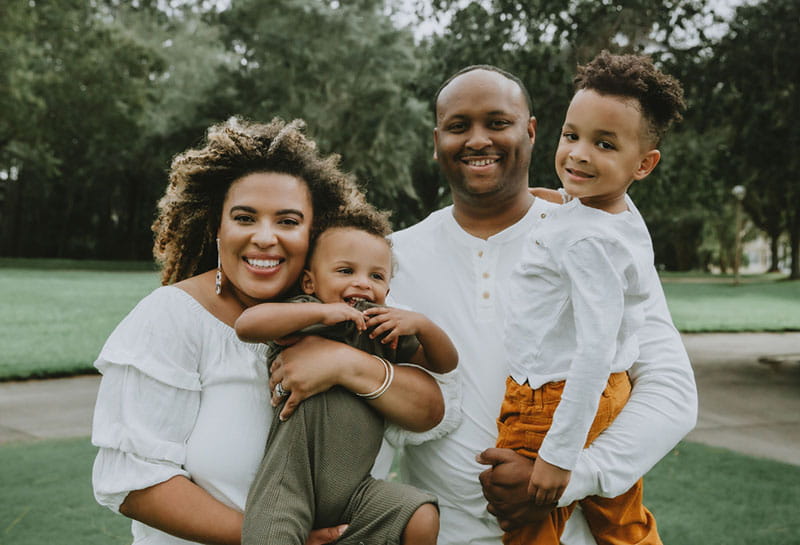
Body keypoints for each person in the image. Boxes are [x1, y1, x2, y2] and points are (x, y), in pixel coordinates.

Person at [367, 64, 697, 545]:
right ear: (436, 139)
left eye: (498, 123)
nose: (478, 140)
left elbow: (672, 395)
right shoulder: (390, 259)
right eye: (459, 127)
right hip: (439, 533)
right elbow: (370, 404)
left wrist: (570, 476)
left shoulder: (595, 235)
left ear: (532, 131)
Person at [91, 117, 447, 545]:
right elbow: (135, 483)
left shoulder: (349, 306)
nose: (265, 237)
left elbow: (430, 407)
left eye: (287, 221)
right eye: (244, 218)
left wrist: (343, 363)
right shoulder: (171, 317)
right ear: (216, 228)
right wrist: (279, 537)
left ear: (313, 234)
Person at [497, 51, 686, 545]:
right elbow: (591, 209)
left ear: (643, 164)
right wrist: (559, 198)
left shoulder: (583, 241)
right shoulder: (614, 213)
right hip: (612, 396)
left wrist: (560, 457)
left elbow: (596, 346)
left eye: (604, 144)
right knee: (624, 522)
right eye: (571, 135)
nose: (578, 154)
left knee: (529, 528)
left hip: (552, 397)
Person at [235, 206, 458, 545]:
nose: (362, 283)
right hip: (288, 484)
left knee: (421, 515)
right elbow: (247, 325)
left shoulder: (381, 328)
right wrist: (321, 311)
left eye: (377, 276)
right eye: (345, 270)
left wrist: (423, 326)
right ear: (311, 280)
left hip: (356, 489)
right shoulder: (304, 312)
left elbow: (445, 363)